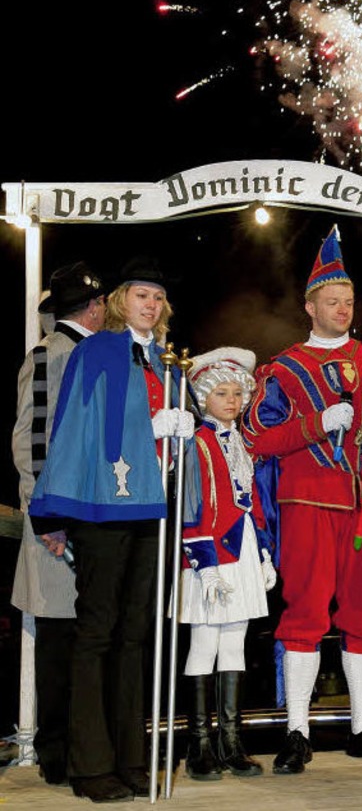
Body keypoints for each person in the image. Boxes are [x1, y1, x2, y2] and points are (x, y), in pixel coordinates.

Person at [29, 257, 200, 803]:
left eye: (158, 297)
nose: (150, 305)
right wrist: (143, 428)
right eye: (141, 295)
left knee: (135, 637)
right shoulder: (96, 351)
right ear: (121, 300)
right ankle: (90, 763)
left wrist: (185, 426)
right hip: (105, 508)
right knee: (97, 633)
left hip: (153, 509)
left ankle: (131, 757)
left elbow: (179, 428)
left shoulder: (168, 361)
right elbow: (74, 426)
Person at [243, 225, 362, 774]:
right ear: (309, 305)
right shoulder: (283, 369)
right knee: (304, 615)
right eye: (332, 301)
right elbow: (257, 438)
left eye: (349, 301)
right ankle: (296, 732)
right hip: (306, 504)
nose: (343, 308)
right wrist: (315, 423)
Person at [12, 262, 106, 785]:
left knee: (75, 638)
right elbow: (34, 440)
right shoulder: (53, 355)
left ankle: (76, 749)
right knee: (58, 640)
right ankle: (56, 753)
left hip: (79, 518)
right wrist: (47, 517)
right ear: (92, 308)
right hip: (58, 521)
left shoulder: (83, 354)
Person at [179, 347, 276, 781]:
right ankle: (198, 744)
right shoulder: (196, 442)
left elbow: (251, 501)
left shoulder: (240, 440)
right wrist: (207, 564)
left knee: (235, 643)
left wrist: (263, 553)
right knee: (204, 644)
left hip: (243, 550)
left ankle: (231, 741)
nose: (232, 401)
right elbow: (192, 507)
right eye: (222, 392)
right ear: (203, 398)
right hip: (209, 557)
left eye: (237, 393)